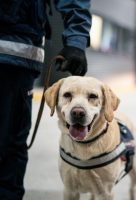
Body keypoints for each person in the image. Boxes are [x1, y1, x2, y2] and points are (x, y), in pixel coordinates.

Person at [0, 0, 91, 199]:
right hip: (16, 55)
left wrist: (76, 41)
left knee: (10, 149)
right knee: (10, 149)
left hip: (15, 58)